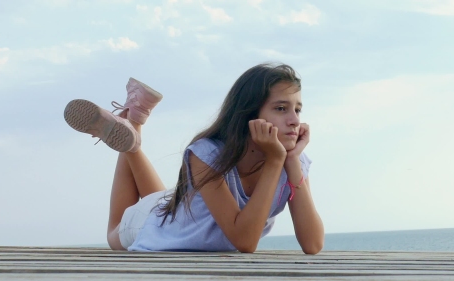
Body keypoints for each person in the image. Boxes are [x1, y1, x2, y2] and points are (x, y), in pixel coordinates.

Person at [63, 63, 324, 254]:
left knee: (172, 204)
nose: (294, 120)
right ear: (248, 113)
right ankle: (132, 132)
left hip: (181, 212)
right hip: (152, 223)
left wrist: (290, 163)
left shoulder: (292, 161)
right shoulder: (207, 153)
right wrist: (276, 161)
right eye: (281, 108)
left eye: (297, 109)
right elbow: (244, 242)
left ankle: (135, 119)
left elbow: (313, 244)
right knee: (114, 232)